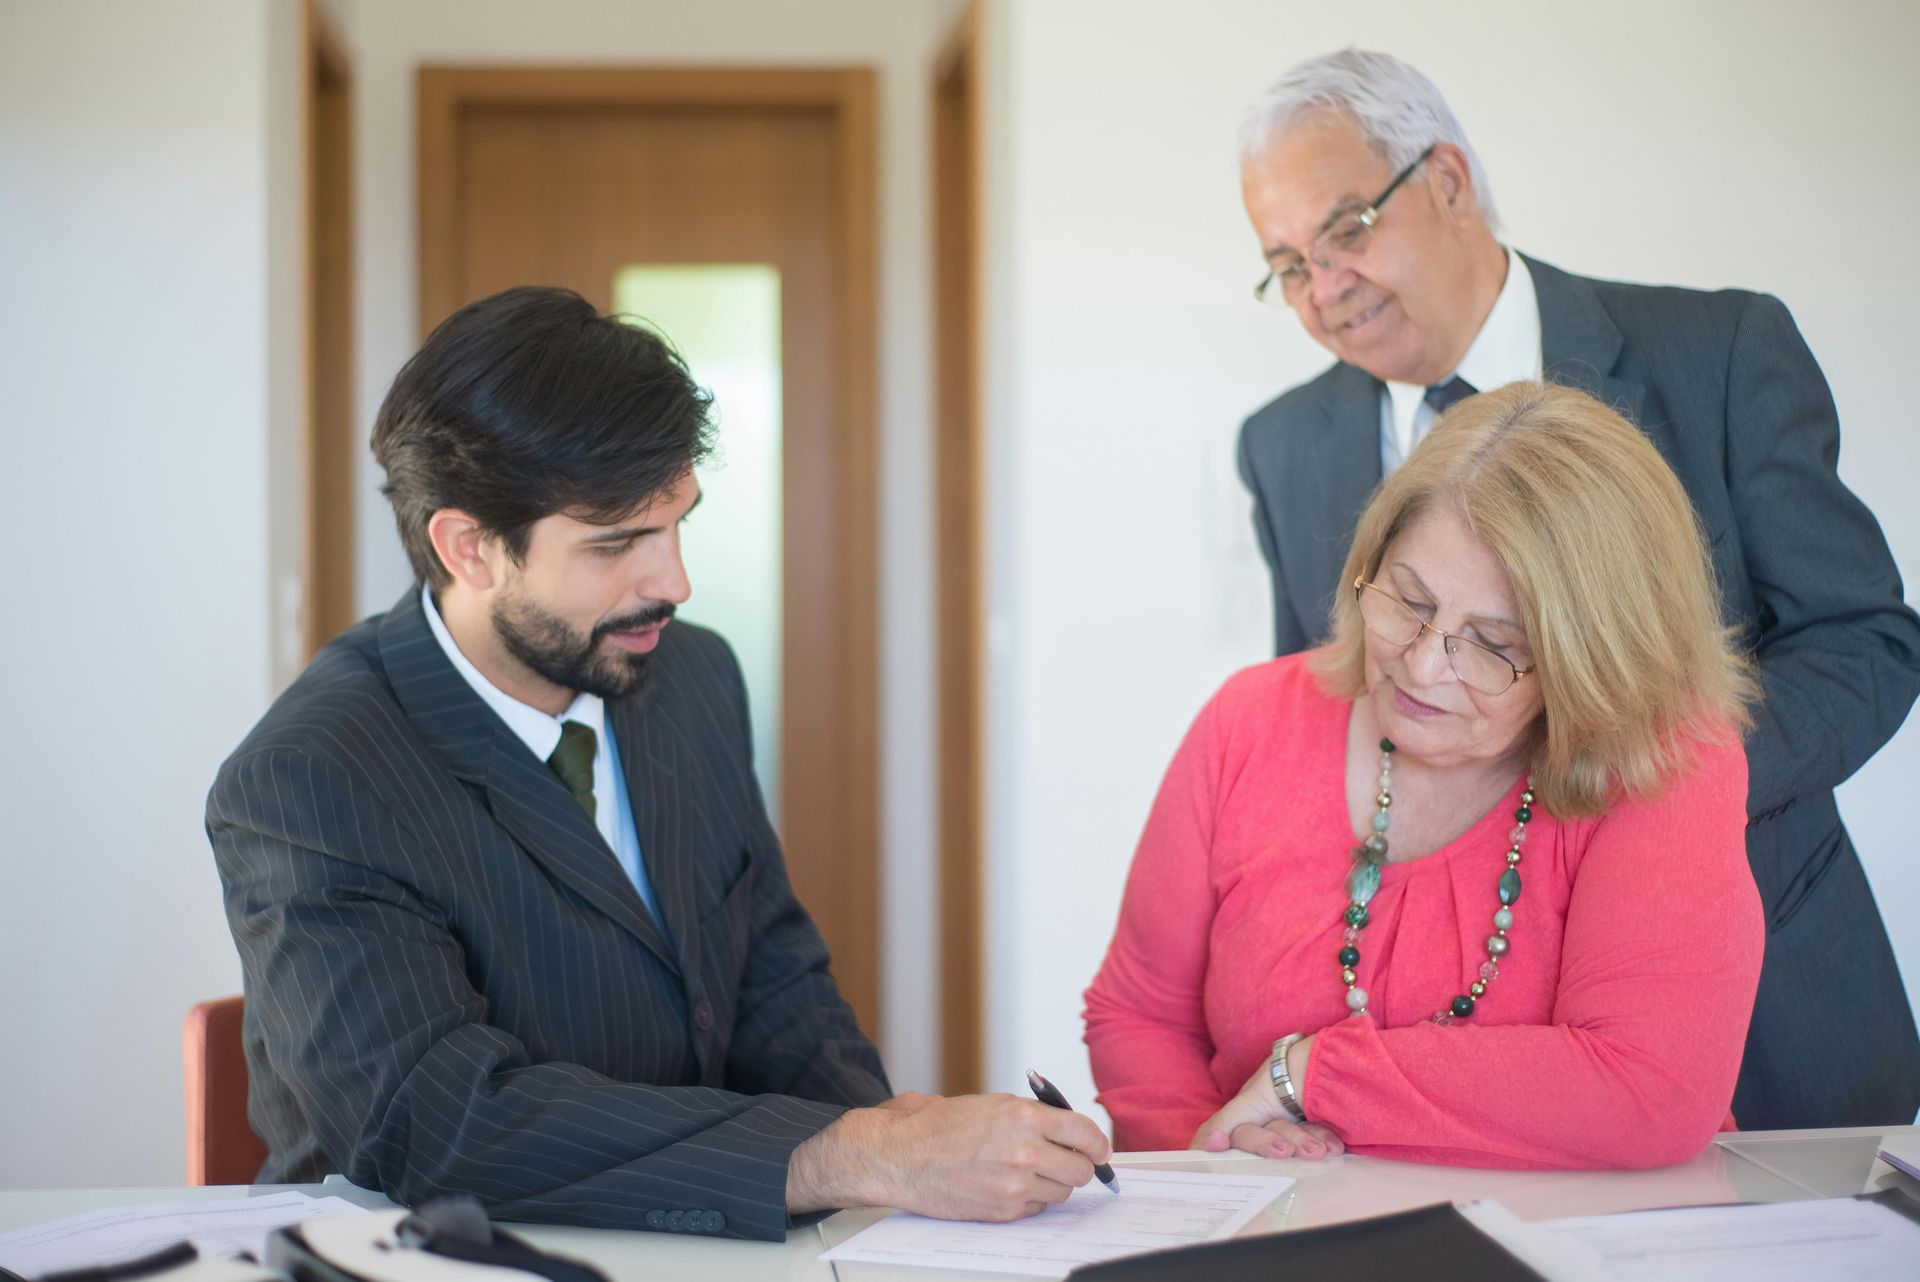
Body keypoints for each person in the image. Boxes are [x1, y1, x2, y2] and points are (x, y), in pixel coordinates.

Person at [206, 286, 1109, 1240]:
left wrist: (900, 1185)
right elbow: (441, 1123)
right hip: (429, 1255)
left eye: (677, 522)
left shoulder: (690, 679)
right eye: (617, 544)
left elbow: (774, 980)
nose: (673, 582)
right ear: (469, 547)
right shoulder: (311, 777)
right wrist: (856, 1154)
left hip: (692, 1243)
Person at [1232, 48, 1920, 1129]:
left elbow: (1863, 640)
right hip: (1445, 1066)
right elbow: (1322, 727)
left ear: (1448, 180)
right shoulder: (1285, 448)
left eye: (1347, 231)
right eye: (1286, 264)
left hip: (1768, 1025)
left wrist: (1661, 801)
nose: (1324, 290)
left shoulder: (1721, 351)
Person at [1087, 382, 1765, 1168]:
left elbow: (1648, 1091)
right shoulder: (1250, 720)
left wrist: (1311, 1075)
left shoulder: (1667, 758)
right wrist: (1223, 1163)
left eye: (1491, 644)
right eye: (1408, 602)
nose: (1420, 665)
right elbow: (1140, 1018)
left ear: (1592, 661)